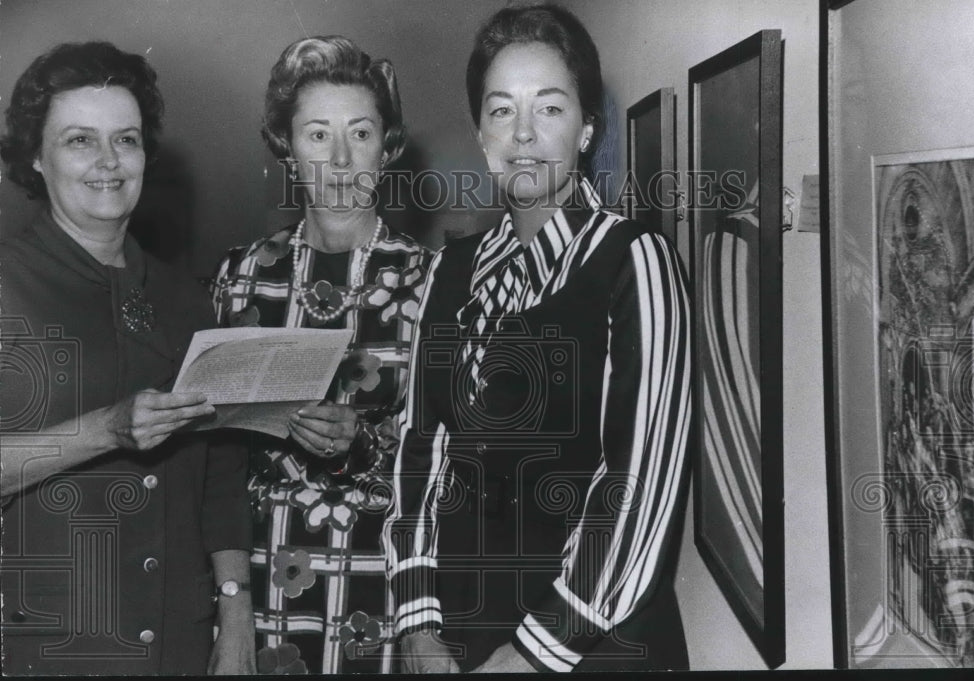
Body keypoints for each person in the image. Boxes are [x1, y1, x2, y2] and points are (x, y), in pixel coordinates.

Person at [384, 4, 692, 673]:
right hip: (459, 632)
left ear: (586, 128)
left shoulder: (633, 260)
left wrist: (529, 655)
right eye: (501, 111)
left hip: (591, 640)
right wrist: (417, 621)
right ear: (480, 130)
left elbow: (639, 488)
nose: (522, 133)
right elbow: (423, 450)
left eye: (549, 108)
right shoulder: (452, 268)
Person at [0, 42, 254, 675]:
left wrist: (237, 616)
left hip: (179, 640)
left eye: (127, 140)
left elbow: (219, 478)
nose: (109, 163)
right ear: (36, 155)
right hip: (56, 645)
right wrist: (104, 429)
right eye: (80, 140)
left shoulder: (186, 298)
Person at [211, 35, 433, 674]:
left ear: (387, 147)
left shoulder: (435, 279)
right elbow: (214, 459)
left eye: (360, 134)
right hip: (264, 581)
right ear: (286, 146)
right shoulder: (242, 276)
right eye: (316, 136)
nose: (340, 160)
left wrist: (362, 443)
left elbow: (453, 456)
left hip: (385, 581)